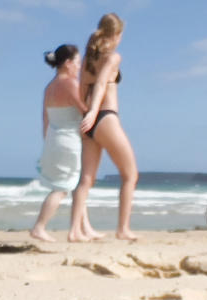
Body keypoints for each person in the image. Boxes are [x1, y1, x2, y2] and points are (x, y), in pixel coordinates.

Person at [68, 13, 139, 242]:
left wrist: (85, 114)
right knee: (130, 175)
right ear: (116, 34)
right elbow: (100, 84)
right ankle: (123, 229)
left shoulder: (89, 59)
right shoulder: (112, 57)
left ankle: (74, 231)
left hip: (88, 123)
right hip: (105, 117)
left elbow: (80, 91)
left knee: (86, 179)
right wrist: (93, 112)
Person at [30, 44, 102, 243]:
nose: (79, 67)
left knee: (75, 185)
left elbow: (45, 118)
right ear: (68, 63)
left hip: (54, 138)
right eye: (78, 63)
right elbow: (84, 110)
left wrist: (48, 141)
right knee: (62, 188)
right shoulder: (69, 83)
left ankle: (84, 228)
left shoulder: (49, 87)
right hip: (68, 139)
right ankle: (39, 227)